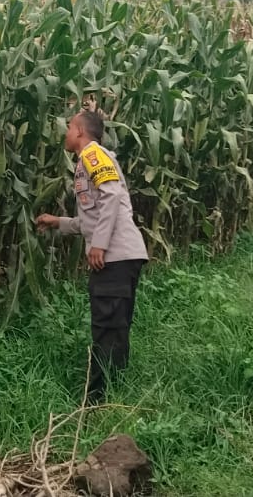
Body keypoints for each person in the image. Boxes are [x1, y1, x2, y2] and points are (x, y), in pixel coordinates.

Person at [34, 109, 149, 404]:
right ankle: (115, 395)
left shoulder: (92, 155)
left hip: (115, 257)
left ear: (80, 132)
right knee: (115, 329)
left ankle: (95, 402)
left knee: (106, 330)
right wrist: (58, 222)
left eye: (69, 127)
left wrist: (99, 245)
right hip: (123, 255)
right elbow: (93, 217)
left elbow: (111, 197)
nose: (66, 133)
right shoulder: (88, 160)